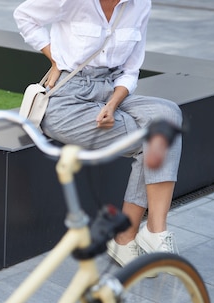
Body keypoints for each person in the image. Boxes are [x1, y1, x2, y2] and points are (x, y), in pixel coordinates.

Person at [14, 0, 183, 266]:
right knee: (153, 139)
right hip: (68, 98)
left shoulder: (140, 5)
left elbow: (130, 69)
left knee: (169, 115)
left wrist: (113, 104)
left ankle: (155, 231)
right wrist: (54, 57)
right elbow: (24, 16)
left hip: (110, 90)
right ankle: (125, 240)